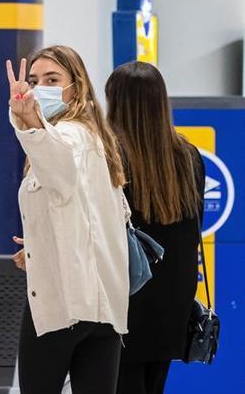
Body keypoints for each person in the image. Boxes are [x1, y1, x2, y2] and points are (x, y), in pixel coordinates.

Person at [6, 45, 129, 394]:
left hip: (64, 303)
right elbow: (82, 212)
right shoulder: (95, 137)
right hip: (104, 306)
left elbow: (58, 166)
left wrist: (29, 123)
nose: (39, 87)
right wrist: (39, 245)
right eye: (34, 80)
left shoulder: (70, 136)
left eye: (52, 79)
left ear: (77, 86)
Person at [106, 61, 205, 394]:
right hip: (174, 297)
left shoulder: (110, 157)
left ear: (115, 101)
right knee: (154, 384)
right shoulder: (188, 155)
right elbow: (194, 225)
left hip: (126, 297)